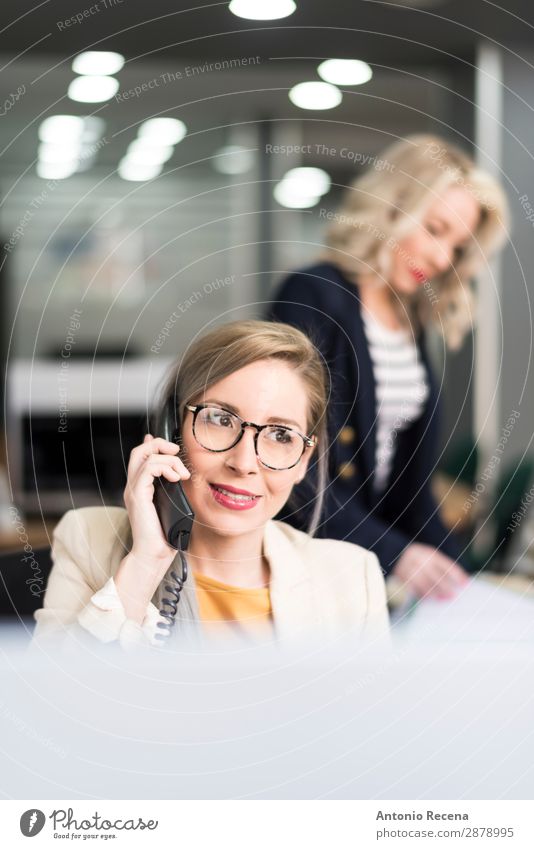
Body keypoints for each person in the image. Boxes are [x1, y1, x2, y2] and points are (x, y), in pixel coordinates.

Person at [33, 320, 389, 651]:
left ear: (303, 462)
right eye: (220, 419)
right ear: (171, 430)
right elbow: (57, 705)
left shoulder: (353, 579)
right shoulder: (89, 541)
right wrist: (145, 564)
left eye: (281, 435)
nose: (244, 463)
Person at [270, 134, 509, 600]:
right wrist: (398, 554)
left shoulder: (408, 317)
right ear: (391, 207)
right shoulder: (313, 294)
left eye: (457, 248)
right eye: (436, 229)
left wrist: (467, 587)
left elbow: (412, 492)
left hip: (362, 565)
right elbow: (290, 472)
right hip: (307, 562)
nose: (442, 259)